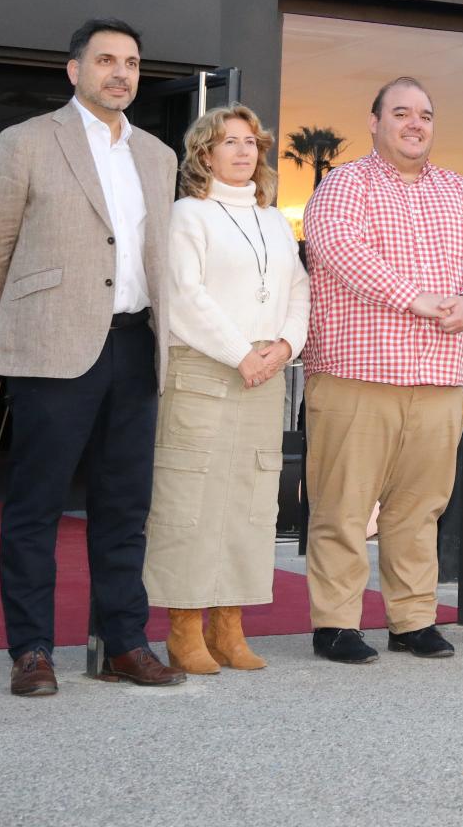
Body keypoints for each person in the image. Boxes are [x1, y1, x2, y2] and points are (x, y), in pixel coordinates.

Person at [0, 17, 186, 696]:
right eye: (106, 60)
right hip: (52, 350)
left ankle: (124, 643)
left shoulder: (158, 156)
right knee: (36, 508)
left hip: (136, 346)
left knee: (126, 508)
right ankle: (31, 651)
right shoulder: (25, 142)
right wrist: (17, 322)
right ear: (75, 70)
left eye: (132, 63)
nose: (121, 73)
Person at [300, 76, 463, 665]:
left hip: (439, 380)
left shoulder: (460, 191)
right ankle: (336, 624)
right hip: (358, 374)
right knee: (343, 507)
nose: (415, 124)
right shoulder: (344, 185)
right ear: (375, 123)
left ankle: (412, 620)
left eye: (425, 115)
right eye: (401, 113)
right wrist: (415, 299)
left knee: (420, 509)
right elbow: (340, 250)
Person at [144, 106, 309, 674]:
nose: (243, 151)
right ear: (204, 154)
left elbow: (299, 289)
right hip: (205, 368)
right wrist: (241, 354)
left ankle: (229, 627)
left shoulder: (273, 221)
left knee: (250, 501)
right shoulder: (187, 215)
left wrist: (285, 346)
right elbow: (183, 295)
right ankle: (184, 628)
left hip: (265, 370)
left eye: (251, 142)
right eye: (229, 142)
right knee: (190, 501)